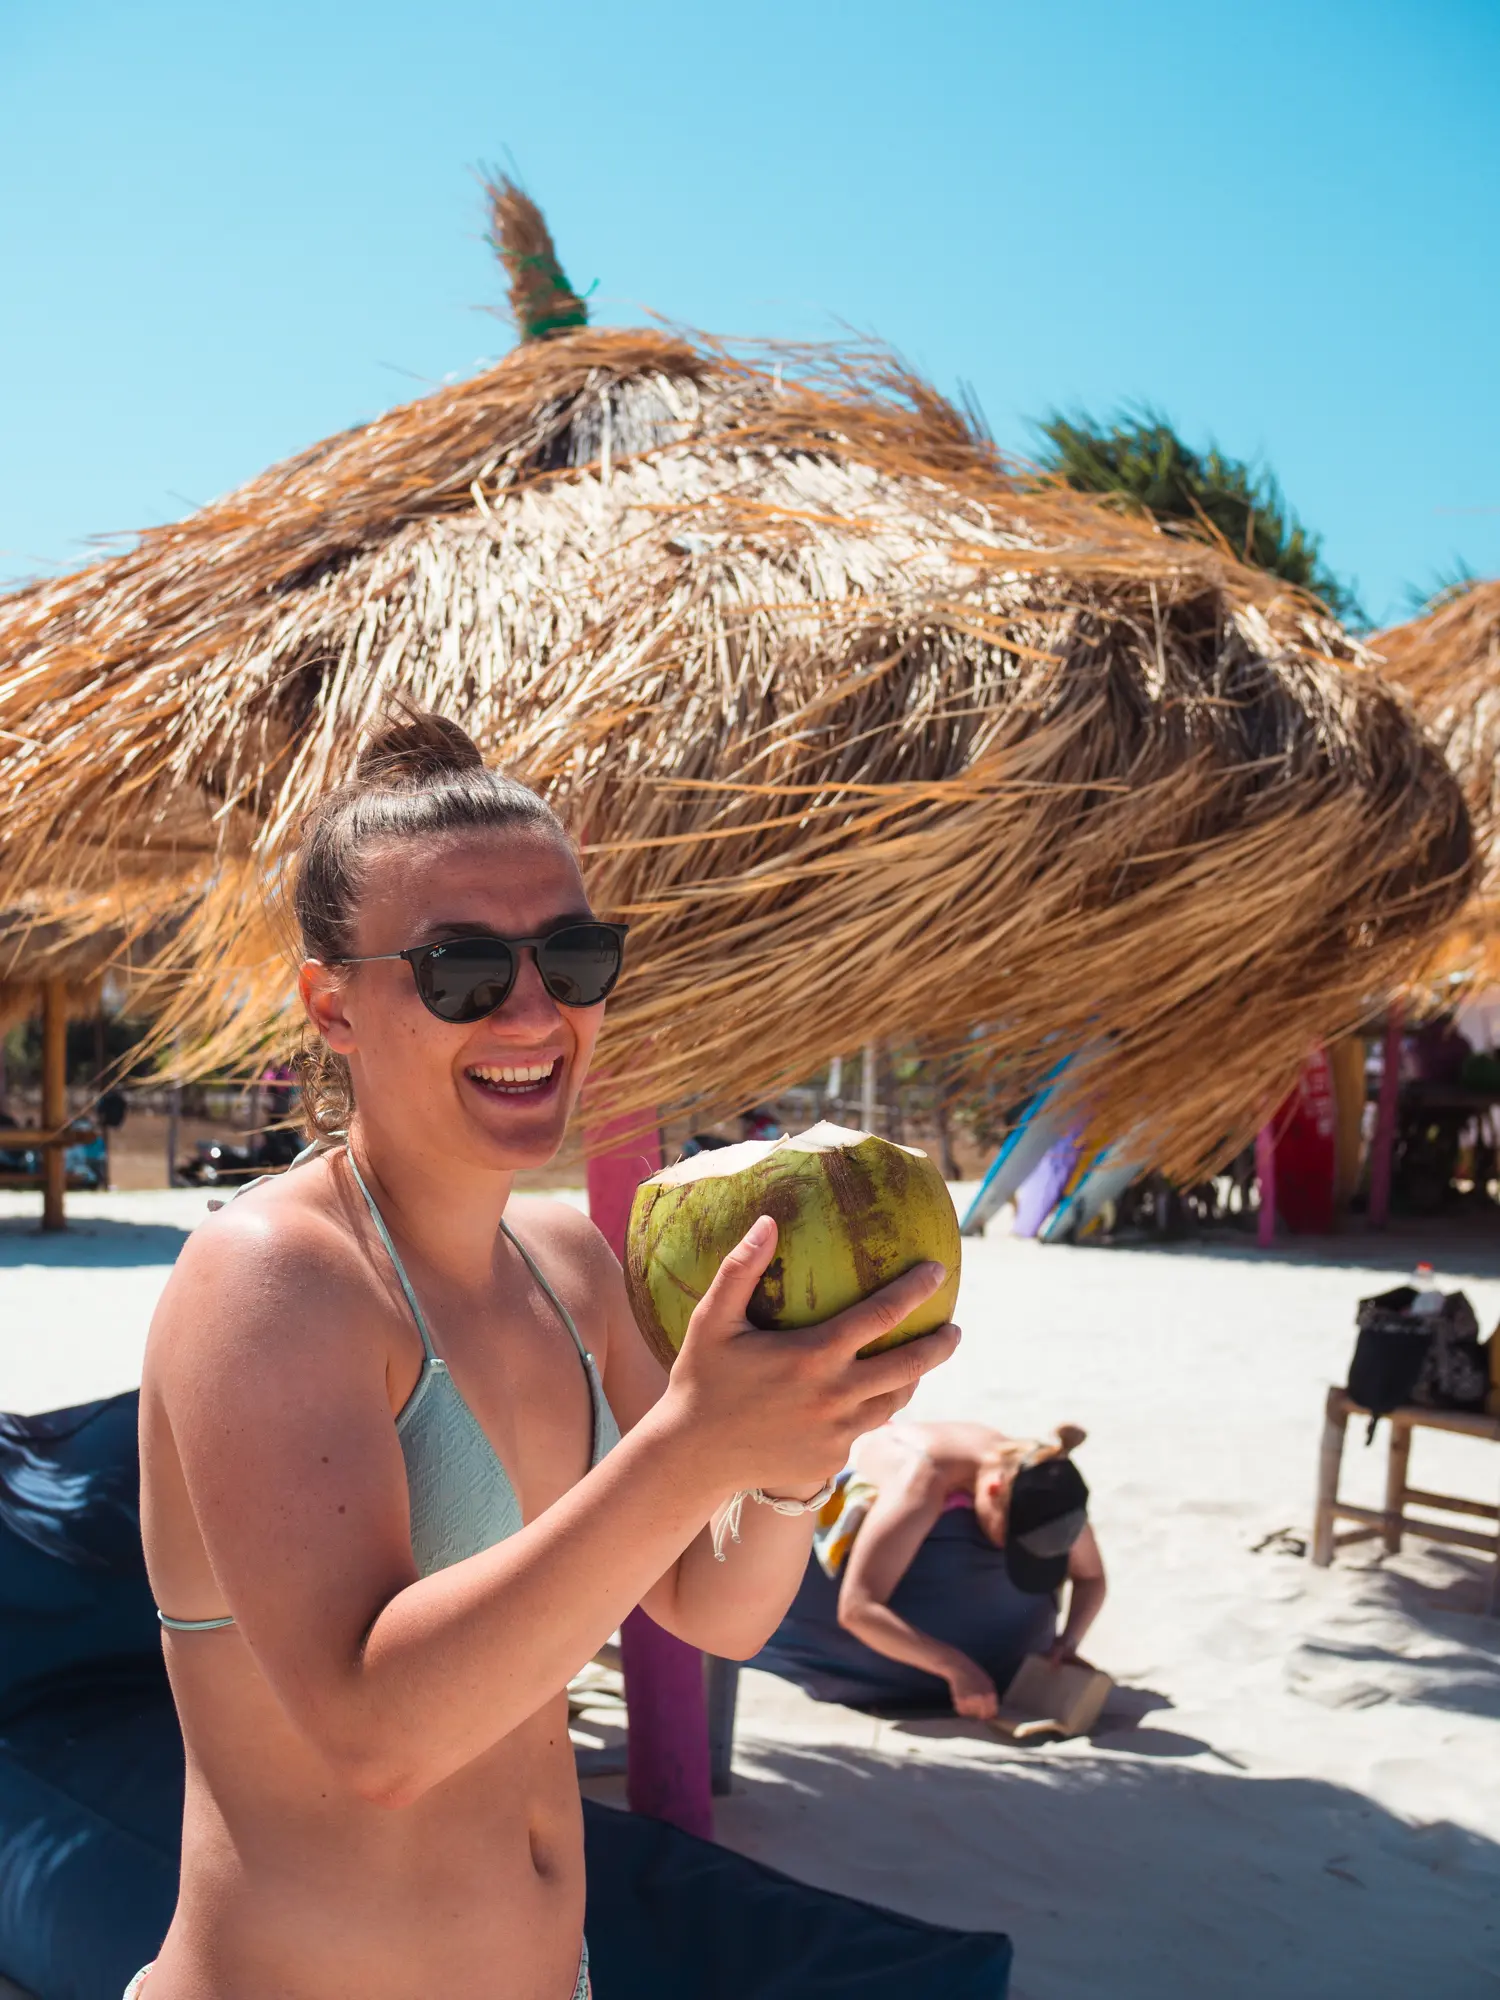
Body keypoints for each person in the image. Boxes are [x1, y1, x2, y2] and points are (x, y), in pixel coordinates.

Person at [134, 711, 958, 2000]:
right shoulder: (273, 1278)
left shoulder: (577, 1264)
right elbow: (377, 1733)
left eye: (573, 957)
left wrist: (797, 1446)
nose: (534, 1008)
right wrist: (694, 1443)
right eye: (463, 969)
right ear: (330, 1003)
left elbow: (720, 1610)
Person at [755, 1419, 1104, 1718]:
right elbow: (859, 1608)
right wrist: (955, 1666)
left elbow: (1092, 1578)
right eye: (1005, 1540)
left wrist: (1068, 1641)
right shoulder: (924, 1478)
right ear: (994, 1490)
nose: (1000, 1553)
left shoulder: (1051, 1485)